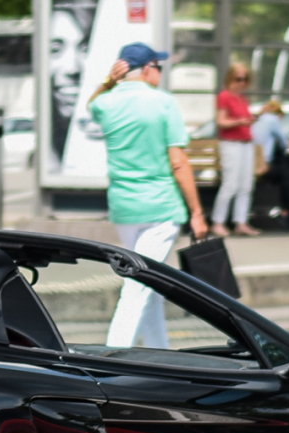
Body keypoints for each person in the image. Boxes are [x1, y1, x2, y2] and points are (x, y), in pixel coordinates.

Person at [85, 42, 211, 346]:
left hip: (125, 208)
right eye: (159, 68)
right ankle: (113, 356)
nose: (161, 74)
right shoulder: (162, 102)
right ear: (148, 69)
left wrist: (108, 82)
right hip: (160, 207)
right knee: (138, 284)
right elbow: (179, 162)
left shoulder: (107, 103)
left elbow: (92, 105)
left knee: (149, 283)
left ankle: (160, 350)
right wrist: (197, 212)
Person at [212, 61, 262, 236]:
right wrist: (240, 121)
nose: (242, 82)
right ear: (230, 78)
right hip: (231, 143)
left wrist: (252, 118)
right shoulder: (224, 96)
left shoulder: (242, 98)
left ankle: (241, 221)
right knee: (230, 184)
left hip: (246, 143)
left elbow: (245, 119)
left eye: (245, 79)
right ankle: (218, 221)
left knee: (246, 185)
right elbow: (221, 121)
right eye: (238, 78)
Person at [254, 98, 289, 231]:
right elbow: (285, 142)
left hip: (256, 162)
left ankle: (287, 211)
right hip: (264, 165)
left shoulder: (258, 120)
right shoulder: (272, 120)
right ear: (279, 113)